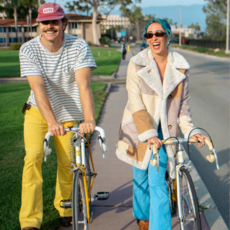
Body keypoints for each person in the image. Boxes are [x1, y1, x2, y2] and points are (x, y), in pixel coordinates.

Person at [116, 18, 207, 230]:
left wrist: (190, 131)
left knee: (157, 183)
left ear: (168, 36)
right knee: (139, 179)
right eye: (149, 35)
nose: (154, 38)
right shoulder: (137, 63)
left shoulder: (181, 67)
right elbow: (135, 100)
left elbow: (183, 105)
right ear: (146, 39)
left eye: (159, 34)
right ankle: (142, 217)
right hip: (139, 127)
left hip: (165, 133)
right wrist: (148, 133)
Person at [19, 2, 97, 230]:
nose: (50, 26)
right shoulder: (29, 49)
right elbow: (38, 89)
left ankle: (67, 208)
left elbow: (84, 85)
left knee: (68, 163)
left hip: (69, 112)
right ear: (39, 24)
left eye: (55, 21)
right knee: (32, 159)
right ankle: (30, 221)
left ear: (64, 23)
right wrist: (52, 122)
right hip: (37, 112)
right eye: (45, 22)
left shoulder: (79, 46)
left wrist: (89, 119)